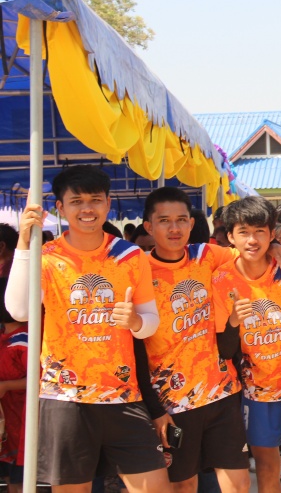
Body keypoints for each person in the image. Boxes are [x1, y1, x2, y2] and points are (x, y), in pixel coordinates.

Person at [4, 165, 170, 492]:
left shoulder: (129, 255)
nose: (87, 209)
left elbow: (150, 322)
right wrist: (24, 242)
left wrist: (134, 322)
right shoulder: (46, 256)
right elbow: (19, 310)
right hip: (65, 398)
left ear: (108, 204)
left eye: (95, 200)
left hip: (123, 396)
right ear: (60, 207)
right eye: (76, 201)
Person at [136, 187, 250, 493]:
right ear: (149, 226)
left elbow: (252, 253)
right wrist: (154, 410)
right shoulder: (137, 269)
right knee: (183, 485)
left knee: (239, 484)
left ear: (191, 223)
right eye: (164, 221)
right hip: (172, 403)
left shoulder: (208, 255)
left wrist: (278, 247)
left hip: (222, 393)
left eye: (181, 220)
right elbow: (135, 347)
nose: (174, 228)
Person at [211, 196, 281, 493]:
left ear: (272, 233)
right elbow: (225, 351)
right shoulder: (221, 279)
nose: (252, 240)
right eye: (244, 232)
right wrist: (234, 321)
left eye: (260, 231)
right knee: (267, 467)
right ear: (230, 236)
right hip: (256, 394)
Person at [0, 273, 27, 493]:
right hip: (8, 417)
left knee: (20, 477)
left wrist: (6, 386)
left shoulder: (24, 340)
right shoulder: (4, 337)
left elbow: (37, 379)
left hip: (23, 417)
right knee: (9, 476)